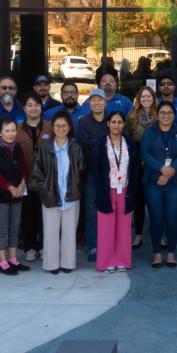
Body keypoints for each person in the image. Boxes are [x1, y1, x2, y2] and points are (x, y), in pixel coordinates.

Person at [29, 110, 84, 274]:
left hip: (71, 196)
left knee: (69, 232)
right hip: (50, 195)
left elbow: (82, 171)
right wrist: (44, 190)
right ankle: (51, 265)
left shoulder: (75, 148)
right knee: (50, 233)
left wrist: (76, 186)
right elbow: (37, 173)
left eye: (64, 126)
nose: (61, 129)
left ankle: (68, 263)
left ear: (69, 127)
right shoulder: (45, 148)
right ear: (52, 127)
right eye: (57, 126)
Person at [138, 101, 177, 269]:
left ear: (174, 115)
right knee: (156, 219)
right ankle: (157, 254)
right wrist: (162, 169)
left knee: (172, 220)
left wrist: (168, 173)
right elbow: (145, 153)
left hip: (176, 182)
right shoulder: (149, 131)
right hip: (152, 182)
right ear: (157, 114)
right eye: (162, 113)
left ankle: (171, 254)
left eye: (169, 113)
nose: (166, 116)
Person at [90, 110, 140, 272]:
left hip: (125, 190)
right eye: (113, 122)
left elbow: (135, 168)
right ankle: (107, 262)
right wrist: (100, 191)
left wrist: (133, 190)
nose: (116, 125)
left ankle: (123, 261)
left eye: (119, 122)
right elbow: (95, 169)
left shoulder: (129, 143)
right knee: (106, 229)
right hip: (107, 190)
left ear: (124, 124)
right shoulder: (101, 143)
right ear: (108, 124)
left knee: (124, 229)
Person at [0, 117, 30, 276]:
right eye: (7, 131)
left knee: (14, 229)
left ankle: (13, 259)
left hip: (17, 193)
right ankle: (2, 263)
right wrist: (9, 187)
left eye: (13, 130)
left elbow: (24, 168)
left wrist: (22, 184)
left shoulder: (17, 148)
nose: (10, 134)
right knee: (2, 229)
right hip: (0, 196)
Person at [16, 93, 52, 262]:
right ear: (24, 108)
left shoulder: (50, 127)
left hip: (47, 180)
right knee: (28, 216)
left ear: (41, 107)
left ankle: (45, 247)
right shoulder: (16, 129)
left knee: (46, 216)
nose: (33, 108)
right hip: (25, 180)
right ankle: (30, 247)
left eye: (37, 105)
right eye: (29, 105)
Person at [77, 89, 110, 261]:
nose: (97, 103)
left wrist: (95, 146)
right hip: (90, 169)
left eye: (100, 100)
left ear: (105, 102)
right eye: (93, 100)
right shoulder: (83, 121)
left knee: (110, 207)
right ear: (88, 103)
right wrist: (106, 143)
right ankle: (93, 245)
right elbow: (83, 142)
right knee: (91, 208)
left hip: (112, 170)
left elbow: (119, 139)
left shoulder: (113, 119)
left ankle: (108, 243)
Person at [127, 86, 159, 249]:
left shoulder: (160, 114)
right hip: (138, 163)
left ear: (153, 98)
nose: (146, 99)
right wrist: (140, 159)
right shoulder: (131, 116)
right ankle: (138, 236)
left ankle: (159, 237)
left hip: (156, 163)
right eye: (142, 96)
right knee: (139, 201)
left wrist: (151, 160)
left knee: (156, 203)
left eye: (149, 96)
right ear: (138, 99)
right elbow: (128, 141)